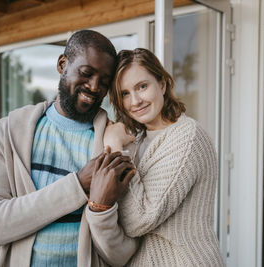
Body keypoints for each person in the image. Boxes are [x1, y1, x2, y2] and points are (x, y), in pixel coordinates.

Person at [0, 30, 138, 267]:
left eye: (104, 81)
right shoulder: (8, 133)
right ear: (62, 64)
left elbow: (121, 256)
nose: (94, 87)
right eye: (86, 73)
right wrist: (78, 184)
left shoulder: (113, 146)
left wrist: (101, 209)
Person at [91, 48, 225, 266]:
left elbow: (137, 220)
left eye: (142, 87)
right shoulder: (139, 139)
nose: (135, 101)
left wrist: (114, 144)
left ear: (162, 84)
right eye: (125, 93)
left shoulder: (188, 138)